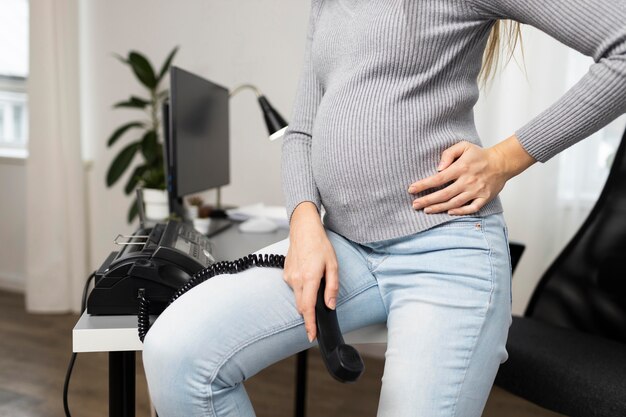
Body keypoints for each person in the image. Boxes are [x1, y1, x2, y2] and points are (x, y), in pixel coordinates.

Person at [143, 0, 626, 415]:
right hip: (344, 246)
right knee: (176, 352)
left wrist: (505, 158)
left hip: (445, 256)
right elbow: (303, 130)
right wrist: (304, 221)